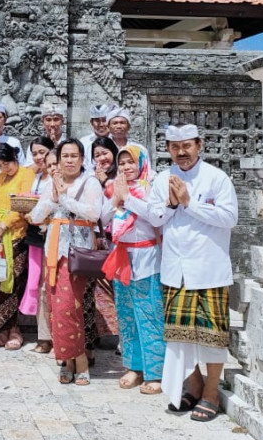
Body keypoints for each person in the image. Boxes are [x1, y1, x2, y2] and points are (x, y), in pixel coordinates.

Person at [146, 124, 238, 422]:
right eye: (175, 147)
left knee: (212, 335)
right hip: (175, 268)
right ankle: (193, 384)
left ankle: (211, 393)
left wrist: (189, 202)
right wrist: (172, 204)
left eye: (187, 145)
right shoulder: (162, 179)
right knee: (179, 335)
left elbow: (229, 218)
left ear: (199, 145)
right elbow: (154, 217)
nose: (181, 152)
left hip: (208, 268)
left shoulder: (216, 178)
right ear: (168, 149)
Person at [29, 139, 103, 386]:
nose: (69, 160)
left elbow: (93, 213)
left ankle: (80, 360)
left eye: (74, 156)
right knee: (54, 306)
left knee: (69, 306)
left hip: (77, 251)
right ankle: (67, 360)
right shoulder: (52, 182)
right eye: (65, 156)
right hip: (54, 250)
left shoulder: (89, 182)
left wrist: (64, 197)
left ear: (82, 159)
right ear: (58, 160)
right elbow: (36, 217)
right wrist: (53, 197)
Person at [101, 146, 164, 395]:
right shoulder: (116, 187)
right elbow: (103, 218)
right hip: (122, 256)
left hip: (148, 257)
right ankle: (134, 367)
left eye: (131, 162)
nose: (127, 167)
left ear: (142, 163)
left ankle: (156, 371)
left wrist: (128, 198)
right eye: (123, 163)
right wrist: (116, 198)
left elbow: (157, 217)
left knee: (149, 313)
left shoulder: (153, 186)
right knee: (126, 315)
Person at [0, 143, 35, 351]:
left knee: (13, 283)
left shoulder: (26, 174)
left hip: (16, 235)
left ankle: (15, 330)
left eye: (7, 163)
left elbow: (23, 205)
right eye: (0, 165)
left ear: (15, 157)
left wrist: (4, 225)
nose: (4, 168)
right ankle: (0, 329)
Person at [19, 136, 55, 354]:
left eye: (43, 152)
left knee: (50, 284)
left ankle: (56, 336)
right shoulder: (33, 177)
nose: (39, 157)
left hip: (54, 233)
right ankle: (44, 336)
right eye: (35, 153)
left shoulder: (59, 178)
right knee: (37, 283)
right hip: (34, 233)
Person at [90, 136, 122, 347]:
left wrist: (105, 182)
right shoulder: (90, 179)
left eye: (105, 153)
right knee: (100, 290)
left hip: (120, 241)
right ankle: (107, 333)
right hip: (99, 239)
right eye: (97, 155)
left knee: (119, 287)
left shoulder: (122, 176)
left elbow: (113, 207)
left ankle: (123, 337)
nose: (101, 158)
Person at [80, 104, 111, 169]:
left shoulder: (116, 140)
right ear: (91, 122)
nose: (101, 124)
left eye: (104, 120)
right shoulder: (83, 142)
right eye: (97, 121)